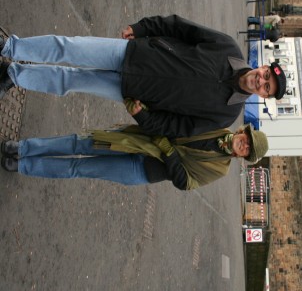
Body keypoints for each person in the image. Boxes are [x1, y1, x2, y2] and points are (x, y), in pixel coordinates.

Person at [0, 15, 286, 138]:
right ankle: (11, 47)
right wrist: (141, 27)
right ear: (261, 67)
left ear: (262, 96)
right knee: (69, 47)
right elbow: (179, 27)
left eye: (265, 88)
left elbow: (178, 127)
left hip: (133, 92)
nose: (260, 82)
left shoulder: (226, 115)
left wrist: (143, 117)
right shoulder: (227, 47)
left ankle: (15, 74)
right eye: (264, 76)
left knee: (70, 82)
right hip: (132, 53)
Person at [0, 123, 268, 190]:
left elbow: (185, 182)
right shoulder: (218, 127)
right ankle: (22, 148)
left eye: (247, 150)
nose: (244, 145)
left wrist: (169, 152)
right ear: (242, 132)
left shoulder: (220, 169)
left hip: (142, 171)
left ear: (242, 156)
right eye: (247, 140)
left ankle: (23, 165)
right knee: (79, 142)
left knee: (78, 168)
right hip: (137, 142)